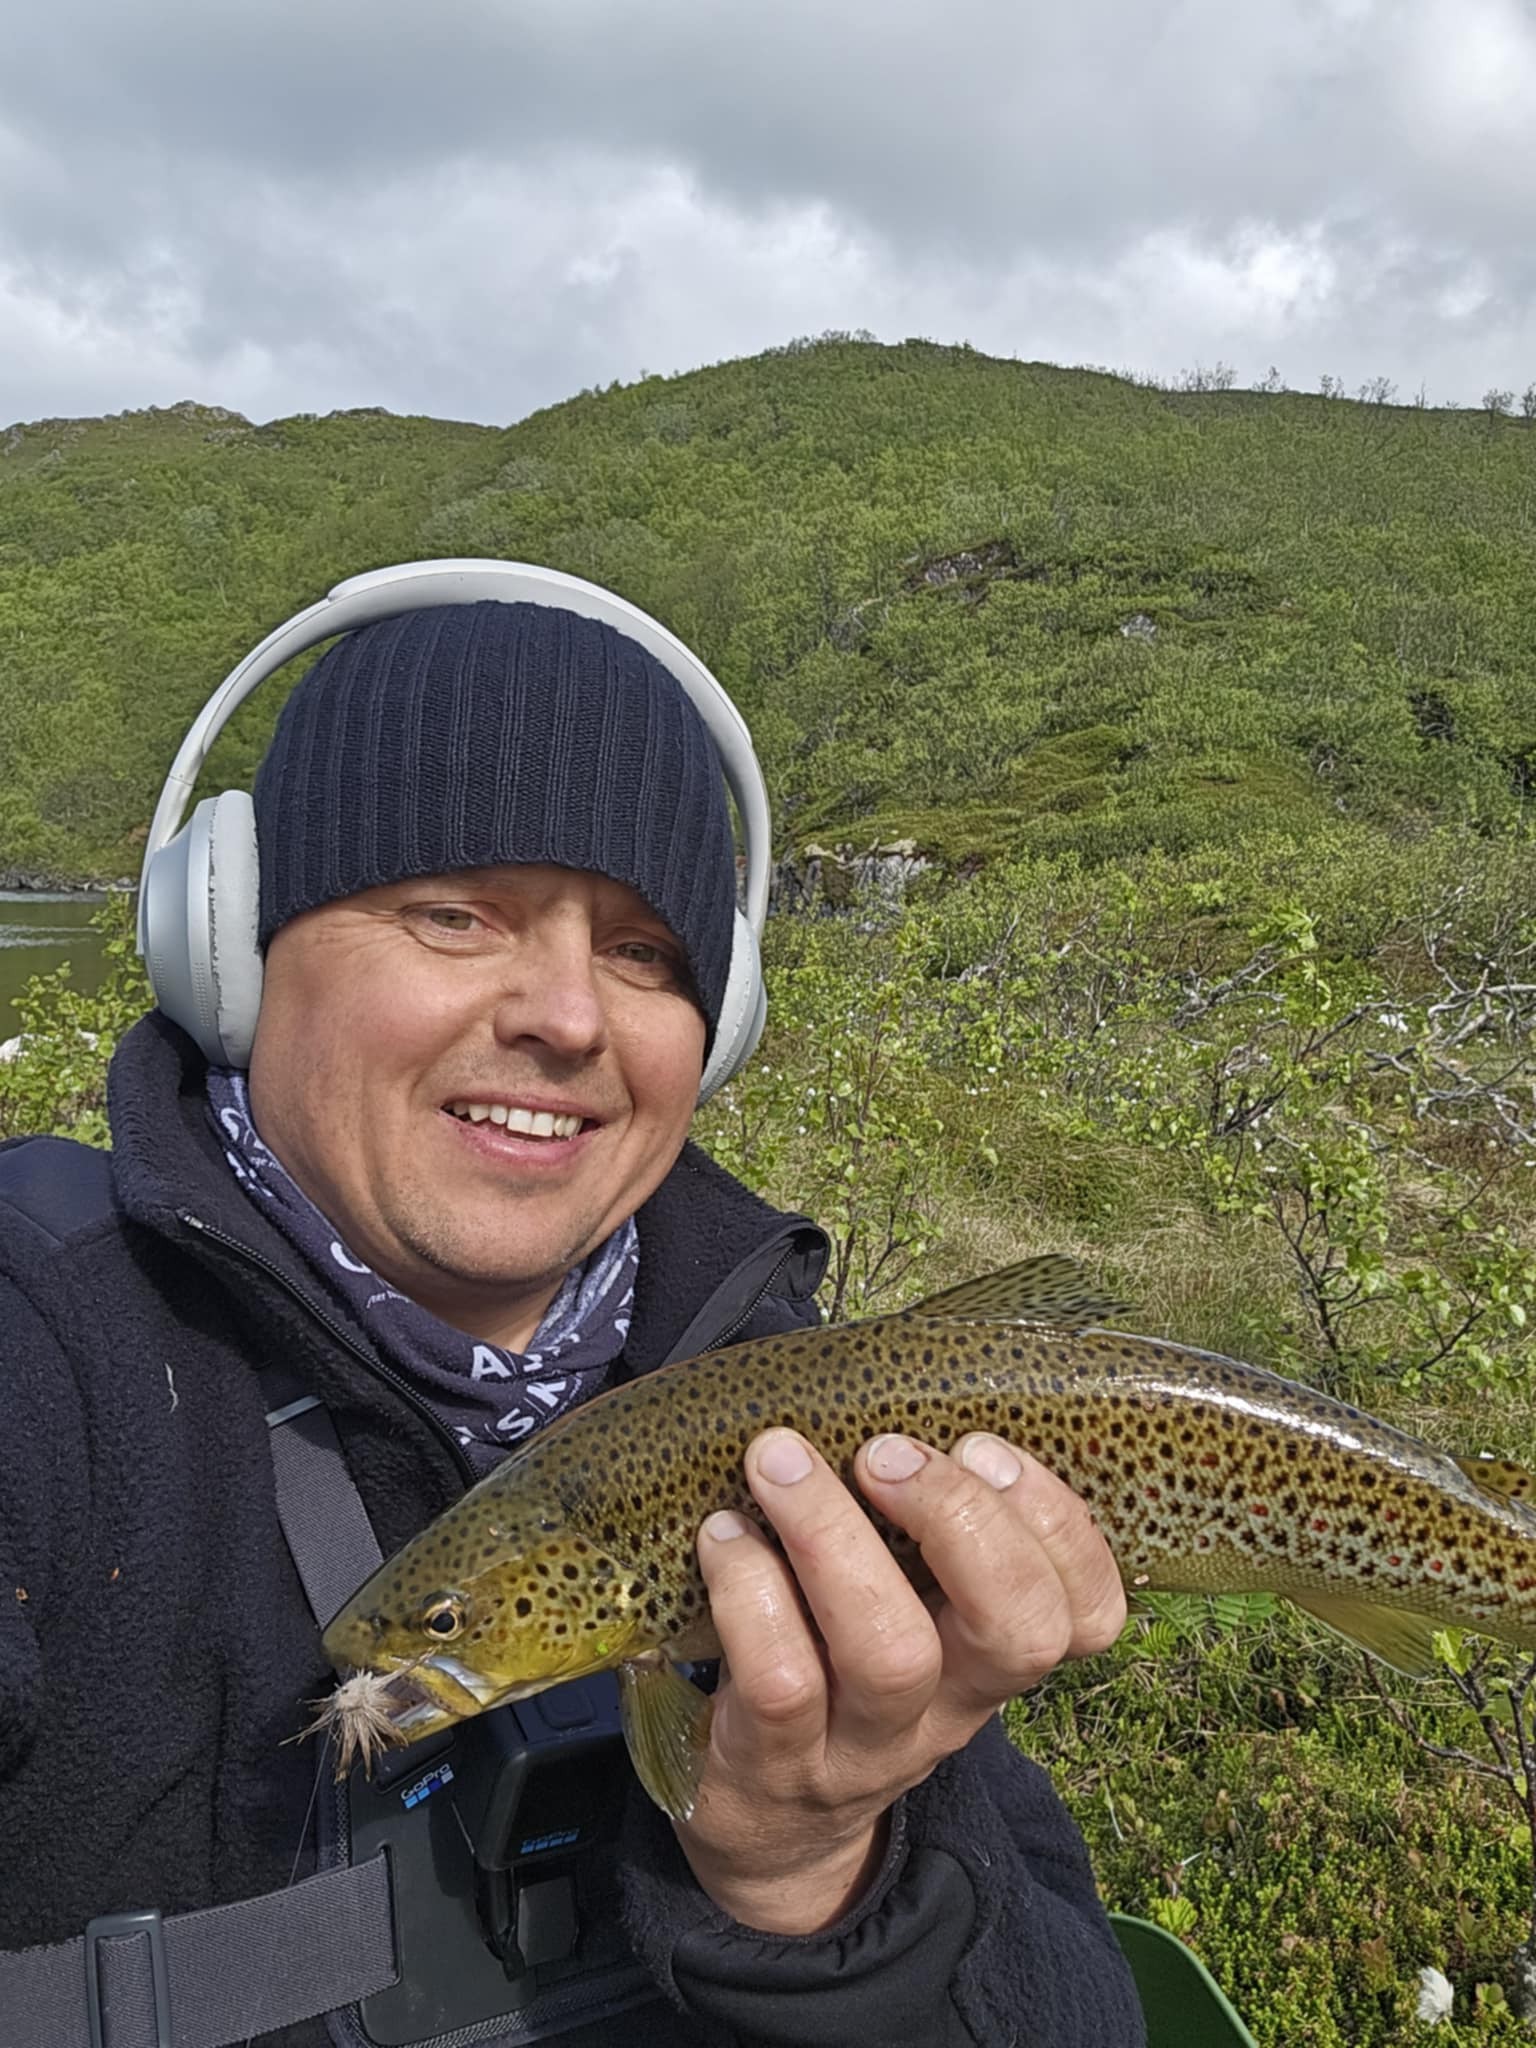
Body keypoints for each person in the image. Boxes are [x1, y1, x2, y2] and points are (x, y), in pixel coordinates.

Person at [0, 562, 1146, 2047]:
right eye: (455, 912)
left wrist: (817, 1890)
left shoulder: (811, 1413)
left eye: (644, 952)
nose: (568, 1015)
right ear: (230, 948)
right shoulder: (36, 1351)